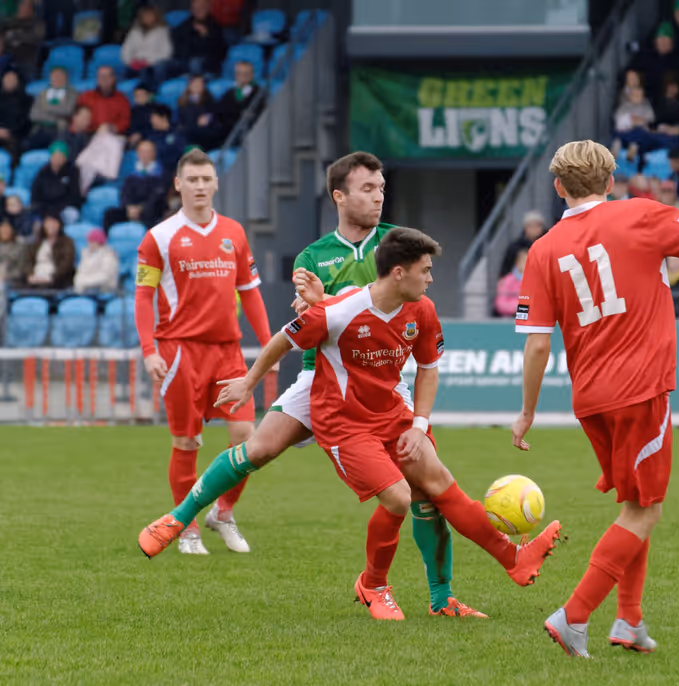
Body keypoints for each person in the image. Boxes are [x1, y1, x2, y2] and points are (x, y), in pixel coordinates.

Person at [138, 152, 488, 619]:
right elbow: (310, 324)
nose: (379, 196)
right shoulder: (313, 256)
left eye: (382, 188)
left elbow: (413, 309)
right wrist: (309, 306)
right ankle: (180, 517)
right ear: (339, 196)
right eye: (368, 188)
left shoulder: (398, 245)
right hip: (320, 376)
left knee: (425, 489)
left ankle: (441, 598)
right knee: (258, 448)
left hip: (383, 385)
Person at [205, 228, 563, 620]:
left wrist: (419, 425)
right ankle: (373, 584)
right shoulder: (339, 310)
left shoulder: (422, 309)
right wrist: (249, 382)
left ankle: (513, 560)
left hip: (392, 417)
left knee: (440, 484)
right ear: (398, 272)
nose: (430, 278)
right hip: (345, 424)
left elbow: (429, 369)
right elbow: (283, 339)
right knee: (397, 497)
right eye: (425, 270)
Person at [512, 140, 679, 657]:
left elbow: (538, 343)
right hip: (641, 388)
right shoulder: (640, 214)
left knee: (637, 503)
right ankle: (573, 616)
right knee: (645, 511)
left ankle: (629, 622)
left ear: (558, 188)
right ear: (611, 182)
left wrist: (526, 412)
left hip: (590, 398)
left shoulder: (542, 249)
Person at [133, 149, 273, 556]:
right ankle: (187, 525)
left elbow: (250, 294)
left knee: (249, 439)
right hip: (180, 353)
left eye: (205, 179)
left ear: (215, 183)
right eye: (191, 179)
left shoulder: (234, 232)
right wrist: (149, 351)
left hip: (228, 353)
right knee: (187, 442)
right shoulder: (158, 237)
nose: (199, 186)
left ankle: (223, 512)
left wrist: (268, 344)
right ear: (178, 184)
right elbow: (143, 298)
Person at [120, 5, 172, 91]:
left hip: (152, 65)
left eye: (150, 15)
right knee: (120, 69)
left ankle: (149, 94)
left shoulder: (163, 31)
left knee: (149, 71)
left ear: (156, 16)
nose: (147, 18)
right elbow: (125, 51)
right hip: (134, 64)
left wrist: (147, 61)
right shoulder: (134, 32)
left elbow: (166, 53)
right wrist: (131, 62)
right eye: (145, 15)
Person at [26, 65, 76, 150]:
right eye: (54, 76)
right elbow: (33, 115)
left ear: (66, 78)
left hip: (60, 130)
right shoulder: (42, 94)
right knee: (25, 145)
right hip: (41, 129)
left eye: (59, 76)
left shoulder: (73, 94)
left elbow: (68, 110)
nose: (56, 79)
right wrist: (56, 118)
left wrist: (45, 108)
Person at [21, 212, 74, 289]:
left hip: (57, 278)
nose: (50, 226)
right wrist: (30, 275)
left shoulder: (67, 242)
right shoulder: (37, 243)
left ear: (59, 224)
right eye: (48, 223)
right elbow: (28, 261)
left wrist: (52, 277)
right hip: (36, 275)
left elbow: (67, 263)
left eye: (53, 223)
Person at [30, 140, 81, 221]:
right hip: (46, 208)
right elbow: (36, 194)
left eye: (61, 156)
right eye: (55, 156)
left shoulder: (73, 171)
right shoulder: (43, 172)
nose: (57, 159)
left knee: (72, 214)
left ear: (65, 158)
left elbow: (75, 196)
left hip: (63, 209)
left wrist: (57, 209)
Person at [500, 210, 546, 276]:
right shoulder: (515, 247)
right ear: (525, 227)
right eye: (530, 226)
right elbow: (506, 269)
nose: (533, 229)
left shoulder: (550, 243)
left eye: (537, 225)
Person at [72, 227, 118, 293]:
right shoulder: (85, 254)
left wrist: (84, 282)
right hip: (85, 290)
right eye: (90, 241)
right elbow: (80, 272)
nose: (91, 244)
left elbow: (105, 277)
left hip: (104, 290)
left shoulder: (108, 256)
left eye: (93, 241)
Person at [494, 248, 527, 317]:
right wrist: (519, 308)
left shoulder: (537, 282)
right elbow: (500, 304)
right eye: (524, 261)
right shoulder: (507, 281)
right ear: (517, 263)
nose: (526, 264)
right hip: (510, 319)